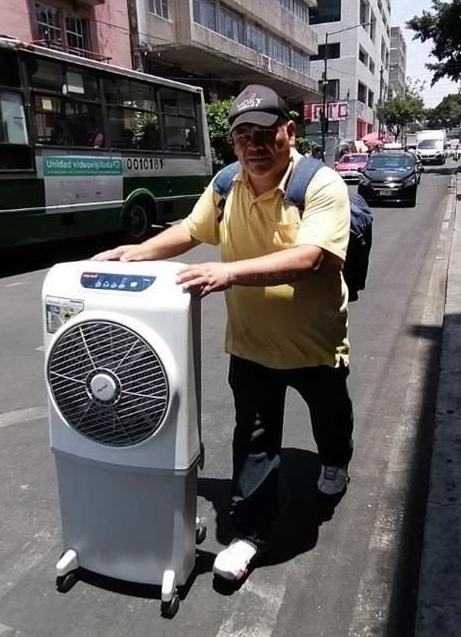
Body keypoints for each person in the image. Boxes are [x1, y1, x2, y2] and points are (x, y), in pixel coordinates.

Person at [93, 85, 354, 583]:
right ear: (233, 143)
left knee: (330, 416)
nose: (254, 146)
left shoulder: (321, 185)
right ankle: (249, 534)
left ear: (289, 132)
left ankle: (335, 460)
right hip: (251, 345)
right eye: (242, 137)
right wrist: (136, 252)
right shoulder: (226, 184)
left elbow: (312, 258)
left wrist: (229, 272)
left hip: (315, 344)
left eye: (265, 134)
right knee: (254, 438)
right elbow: (191, 231)